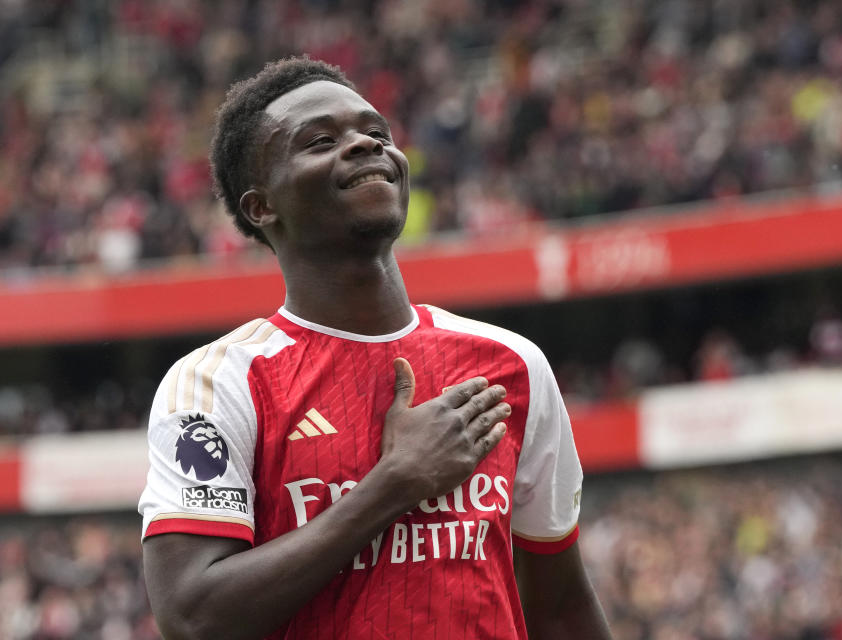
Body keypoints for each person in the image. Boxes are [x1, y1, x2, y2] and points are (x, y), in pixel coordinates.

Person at [139, 57, 611, 640]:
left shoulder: (511, 365)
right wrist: (396, 483)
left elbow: (561, 611)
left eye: (376, 132)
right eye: (320, 141)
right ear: (262, 206)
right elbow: (192, 617)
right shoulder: (217, 385)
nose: (365, 144)